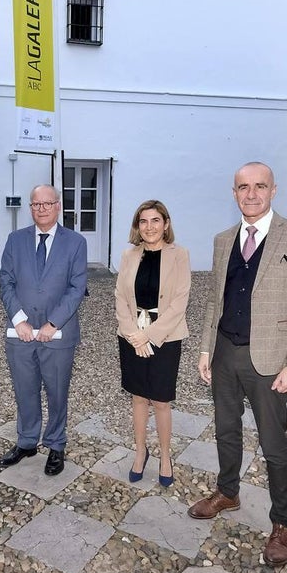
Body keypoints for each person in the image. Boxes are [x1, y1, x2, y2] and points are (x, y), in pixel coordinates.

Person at [190, 162, 287, 569]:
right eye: (243, 187)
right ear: (234, 193)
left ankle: (283, 522)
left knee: (274, 443)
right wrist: (205, 349)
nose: (251, 193)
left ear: (273, 190)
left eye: (259, 186)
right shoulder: (222, 240)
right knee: (226, 430)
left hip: (270, 361)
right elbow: (215, 300)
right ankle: (227, 492)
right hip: (225, 353)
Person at [0, 185, 88, 475]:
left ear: (58, 206)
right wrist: (19, 319)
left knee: (57, 391)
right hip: (21, 334)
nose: (42, 209)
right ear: (31, 207)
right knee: (25, 390)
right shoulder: (15, 240)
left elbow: (77, 288)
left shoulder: (75, 242)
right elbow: (6, 281)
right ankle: (26, 441)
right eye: (36, 204)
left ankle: (56, 444)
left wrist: (53, 323)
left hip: (58, 336)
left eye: (47, 203)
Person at [114, 200, 191, 487]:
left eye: (155, 220)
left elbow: (179, 303)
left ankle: (166, 456)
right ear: (137, 226)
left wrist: (148, 336)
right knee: (137, 397)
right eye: (143, 221)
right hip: (132, 335)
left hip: (165, 338)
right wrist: (132, 333)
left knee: (160, 400)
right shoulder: (128, 255)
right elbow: (120, 297)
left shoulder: (179, 255)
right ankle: (140, 451)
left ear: (166, 224)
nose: (149, 227)